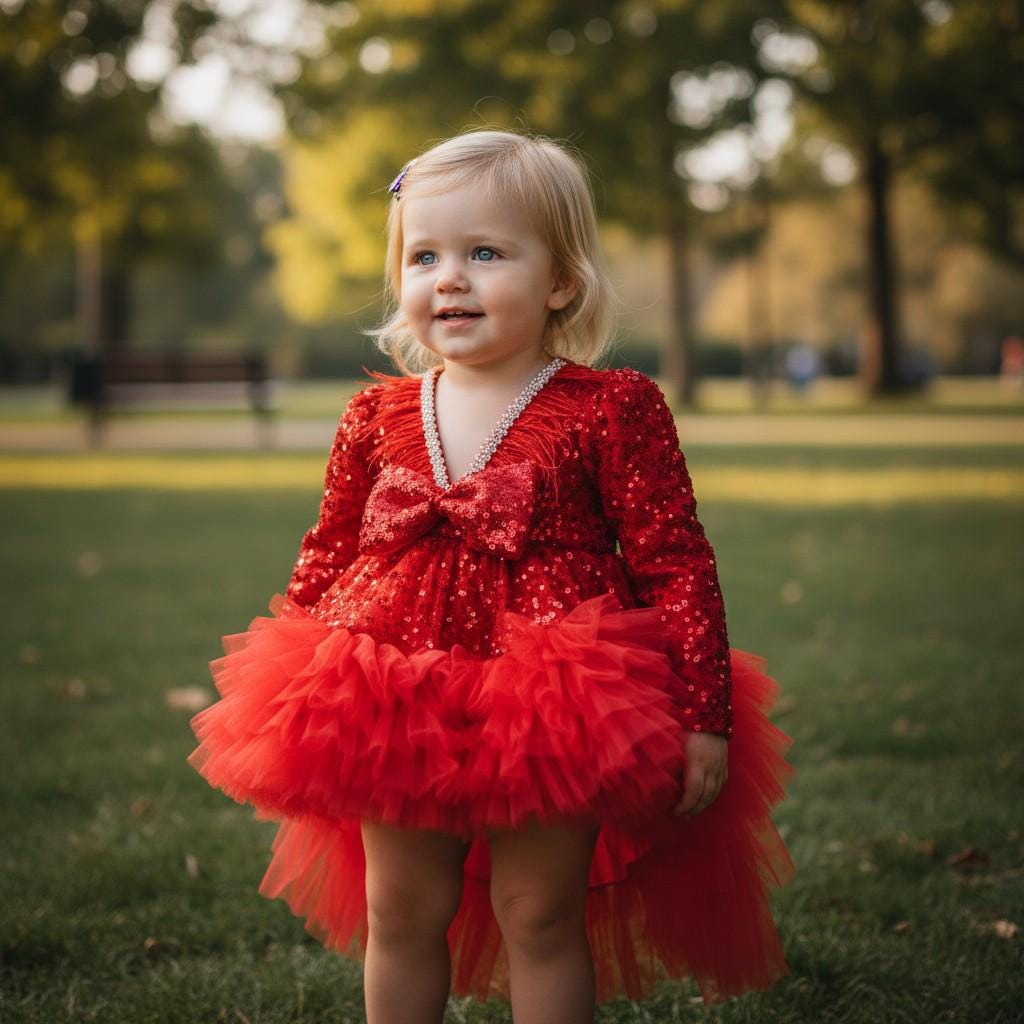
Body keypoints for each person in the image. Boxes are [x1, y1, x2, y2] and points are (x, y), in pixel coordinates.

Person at [187, 128, 794, 1024]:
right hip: (392, 691)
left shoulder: (610, 407)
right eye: (424, 254)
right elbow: (330, 547)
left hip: (556, 699)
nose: (450, 277)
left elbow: (674, 559)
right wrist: (290, 687)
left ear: (559, 281)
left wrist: (704, 713)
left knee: (538, 911)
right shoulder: (374, 413)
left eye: (485, 252)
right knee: (402, 906)